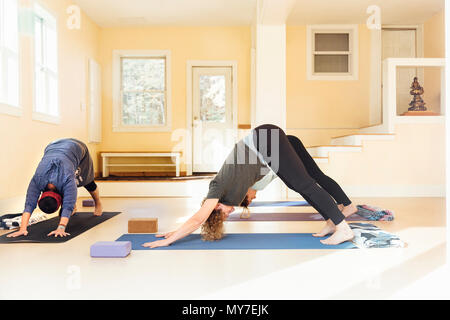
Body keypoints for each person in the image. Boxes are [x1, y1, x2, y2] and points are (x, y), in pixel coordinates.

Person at [143, 124, 357, 249]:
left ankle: (343, 228)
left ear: (216, 207)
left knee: (305, 183)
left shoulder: (216, 189)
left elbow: (199, 218)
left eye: (223, 215)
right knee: (297, 185)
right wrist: (174, 232)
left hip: (265, 139)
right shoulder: (230, 192)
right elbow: (199, 220)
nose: (229, 214)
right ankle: (331, 221)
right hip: (266, 145)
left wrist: (168, 241)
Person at [7, 138, 103, 238]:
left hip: (77, 147)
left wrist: (61, 228)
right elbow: (29, 204)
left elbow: (67, 205)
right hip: (52, 146)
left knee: (87, 181)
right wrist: (23, 229)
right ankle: (76, 206)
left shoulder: (67, 179)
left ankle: (98, 203)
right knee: (70, 189)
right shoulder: (37, 181)